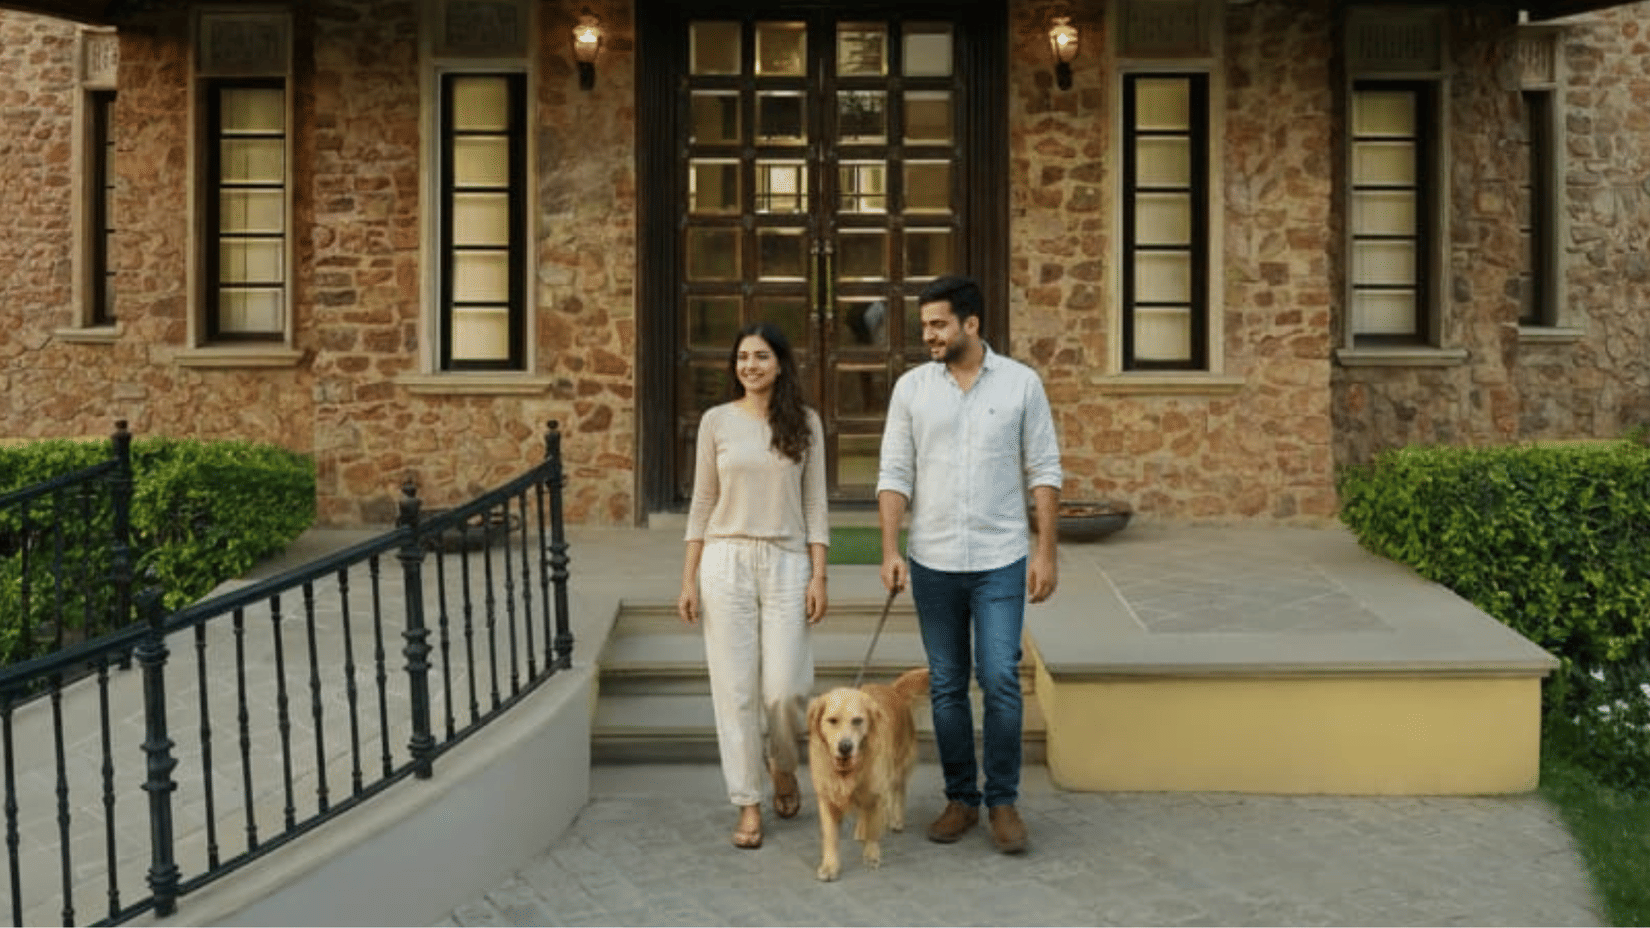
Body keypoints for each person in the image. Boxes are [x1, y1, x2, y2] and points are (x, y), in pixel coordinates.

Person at [875, 274, 1062, 855]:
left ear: (971, 324)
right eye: (925, 325)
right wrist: (889, 548)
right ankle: (961, 798)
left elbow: (1044, 469)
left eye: (938, 324)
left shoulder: (1022, 384)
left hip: (1000, 557)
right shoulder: (911, 389)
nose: (928, 335)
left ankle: (1002, 801)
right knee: (948, 684)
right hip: (933, 560)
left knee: (1000, 677)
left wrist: (1046, 552)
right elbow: (894, 472)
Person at [678, 322, 830, 850]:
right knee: (735, 691)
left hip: (787, 560)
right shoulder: (716, 421)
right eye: (743, 357)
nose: (750, 366)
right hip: (726, 559)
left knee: (785, 689)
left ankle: (782, 765)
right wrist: (689, 577)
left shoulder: (806, 423)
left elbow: (815, 504)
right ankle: (747, 801)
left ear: (780, 364)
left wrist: (819, 574)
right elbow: (702, 501)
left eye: (761, 356)